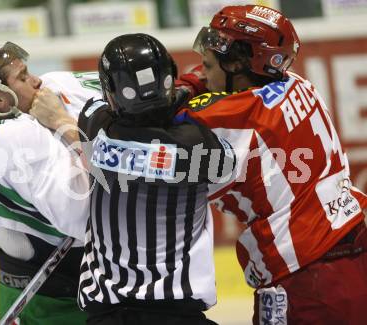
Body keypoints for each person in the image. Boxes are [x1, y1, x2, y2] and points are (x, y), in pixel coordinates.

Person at [175, 4, 367, 324]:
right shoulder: (297, 83)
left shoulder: (232, 120)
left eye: (212, 59)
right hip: (354, 250)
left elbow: (148, 128)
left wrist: (180, 89)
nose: (204, 65)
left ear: (238, 61)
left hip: (308, 281)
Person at [30, 33, 236, 325]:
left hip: (108, 316)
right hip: (178, 316)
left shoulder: (95, 123)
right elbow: (226, 168)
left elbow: (97, 118)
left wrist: (58, 118)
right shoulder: (197, 146)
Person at [0, 40, 101, 324]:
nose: (37, 81)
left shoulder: (27, 120)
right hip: (53, 305)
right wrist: (64, 124)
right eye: (23, 77)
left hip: (43, 292)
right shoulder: (9, 140)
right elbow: (86, 218)